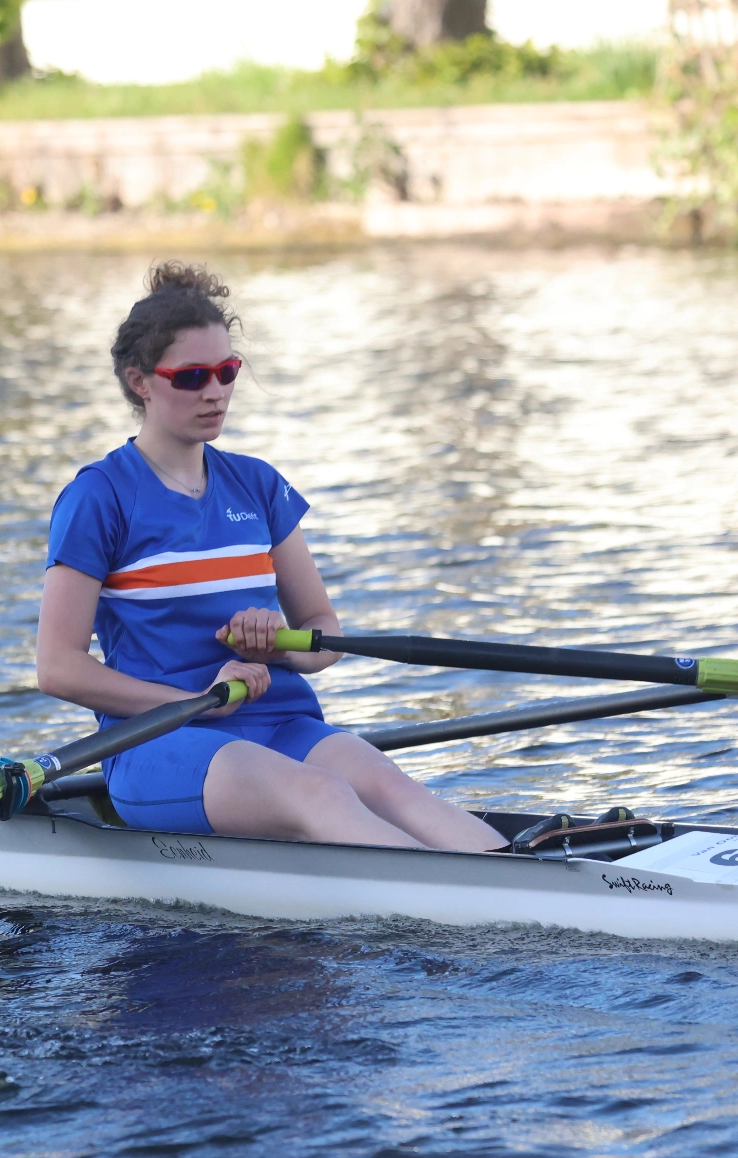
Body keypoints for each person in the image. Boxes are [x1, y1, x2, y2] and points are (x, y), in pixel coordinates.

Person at [35, 263, 503, 851]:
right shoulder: (98, 497)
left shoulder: (257, 486)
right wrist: (196, 702)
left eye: (227, 372)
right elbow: (57, 667)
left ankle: (523, 879)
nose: (215, 392)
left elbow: (324, 635)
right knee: (322, 795)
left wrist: (277, 644)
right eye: (192, 377)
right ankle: (447, 896)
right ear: (140, 382)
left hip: (279, 720)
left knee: (393, 788)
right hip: (162, 737)